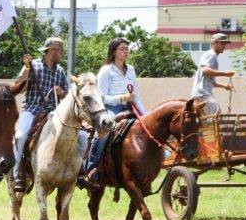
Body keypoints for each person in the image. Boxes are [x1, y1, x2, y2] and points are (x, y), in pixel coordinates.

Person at [80, 37, 146, 186]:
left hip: (130, 107)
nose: (126, 52)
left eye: (127, 49)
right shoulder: (105, 71)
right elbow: (101, 97)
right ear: (114, 52)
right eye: (122, 49)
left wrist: (145, 114)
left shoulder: (131, 70)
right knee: (105, 127)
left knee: (148, 125)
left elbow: (136, 96)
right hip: (109, 109)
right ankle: (91, 168)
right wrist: (122, 98)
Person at [12, 37, 69, 193]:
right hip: (31, 110)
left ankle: (70, 172)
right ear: (51, 50)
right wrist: (26, 67)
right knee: (21, 136)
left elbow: (68, 95)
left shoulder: (60, 71)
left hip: (53, 114)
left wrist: (61, 92)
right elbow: (20, 86)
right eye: (59, 51)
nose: (61, 54)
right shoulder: (33, 65)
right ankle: (17, 174)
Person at [191, 32, 235, 115]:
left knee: (210, 117)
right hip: (202, 93)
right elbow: (205, 70)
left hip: (202, 93)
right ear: (214, 43)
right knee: (215, 115)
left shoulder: (213, 56)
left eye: (225, 44)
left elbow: (212, 82)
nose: (224, 46)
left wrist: (224, 85)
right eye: (222, 43)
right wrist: (225, 73)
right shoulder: (212, 54)